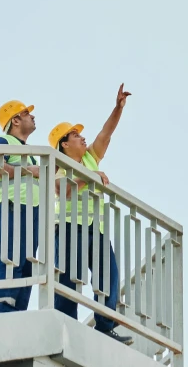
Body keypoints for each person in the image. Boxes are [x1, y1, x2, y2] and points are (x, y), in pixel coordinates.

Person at [48, 86, 131, 337]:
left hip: (97, 228)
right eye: (75, 135)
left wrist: (117, 108)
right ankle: (65, 327)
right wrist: (90, 177)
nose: (82, 137)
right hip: (70, 226)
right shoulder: (59, 164)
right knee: (69, 277)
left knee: (109, 277)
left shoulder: (90, 157)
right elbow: (62, 189)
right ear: (64, 144)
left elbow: (106, 134)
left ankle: (105, 328)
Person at [0, 99, 43, 312]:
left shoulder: (26, 150)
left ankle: (18, 309)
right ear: (16, 119)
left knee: (26, 260)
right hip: (13, 204)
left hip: (31, 208)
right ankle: (3, 306)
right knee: (10, 254)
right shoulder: (3, 139)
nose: (33, 116)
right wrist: (32, 171)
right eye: (27, 113)